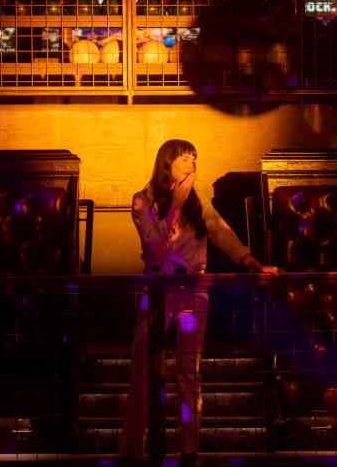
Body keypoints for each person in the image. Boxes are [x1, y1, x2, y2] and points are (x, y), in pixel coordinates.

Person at [119, 139, 278, 467]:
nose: (191, 164)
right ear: (167, 164)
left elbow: (222, 233)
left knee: (189, 370)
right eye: (183, 159)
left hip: (193, 289)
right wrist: (175, 204)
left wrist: (253, 264)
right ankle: (132, 451)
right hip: (158, 290)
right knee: (143, 369)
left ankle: (189, 450)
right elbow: (155, 248)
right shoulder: (142, 201)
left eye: (194, 158)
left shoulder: (198, 201)